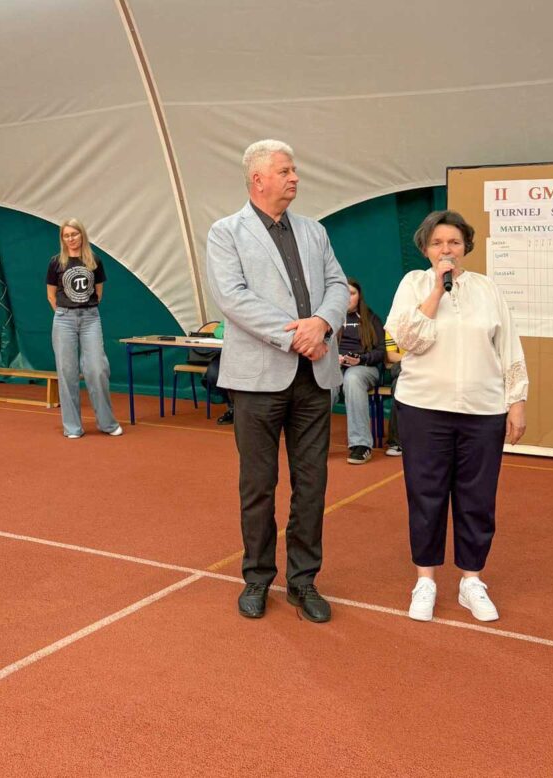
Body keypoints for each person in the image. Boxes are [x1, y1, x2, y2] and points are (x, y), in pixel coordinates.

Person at [206, 139, 349, 623]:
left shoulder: (315, 231)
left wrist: (322, 324)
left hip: (314, 377)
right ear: (258, 179)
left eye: (294, 170)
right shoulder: (226, 232)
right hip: (257, 380)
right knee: (258, 486)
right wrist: (298, 337)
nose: (294, 178)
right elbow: (233, 298)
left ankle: (303, 581)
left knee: (312, 484)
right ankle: (257, 577)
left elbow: (337, 285)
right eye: (285, 171)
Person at [385, 210, 527, 624]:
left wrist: (516, 401)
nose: (445, 249)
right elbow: (404, 343)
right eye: (437, 243)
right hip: (423, 408)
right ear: (425, 248)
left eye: (453, 242)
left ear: (465, 246)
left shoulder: (487, 288)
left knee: (477, 498)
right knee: (426, 495)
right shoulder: (412, 284)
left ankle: (471, 581)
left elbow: (508, 345)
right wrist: (436, 290)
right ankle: (425, 581)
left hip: (482, 410)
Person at [45, 219, 123, 439]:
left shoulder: (94, 260)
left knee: (97, 369)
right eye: (66, 235)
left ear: (82, 235)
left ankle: (107, 423)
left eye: (74, 234)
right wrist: (64, 313)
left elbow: (99, 292)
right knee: (67, 372)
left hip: (90, 319)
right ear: (62, 239)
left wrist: (85, 310)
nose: (71, 239)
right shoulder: (56, 262)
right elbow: (51, 295)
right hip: (64, 319)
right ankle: (72, 427)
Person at [334, 278, 385, 464]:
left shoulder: (371, 319)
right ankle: (315, 444)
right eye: (344, 293)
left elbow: (381, 351)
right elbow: (320, 345)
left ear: (359, 296)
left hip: (364, 368)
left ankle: (361, 445)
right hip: (336, 367)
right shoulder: (331, 318)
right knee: (325, 382)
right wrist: (333, 358)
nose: (348, 297)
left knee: (353, 377)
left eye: (352, 293)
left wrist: (361, 359)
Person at [200, 320, 234, 425]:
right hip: (227, 354)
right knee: (213, 373)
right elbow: (218, 329)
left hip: (251, 356)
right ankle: (232, 408)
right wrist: (225, 334)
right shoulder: (232, 314)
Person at [383, 332, 403, 456]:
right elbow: (391, 355)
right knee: (398, 384)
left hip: (430, 368)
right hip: (406, 365)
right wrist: (414, 361)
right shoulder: (394, 324)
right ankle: (396, 442)